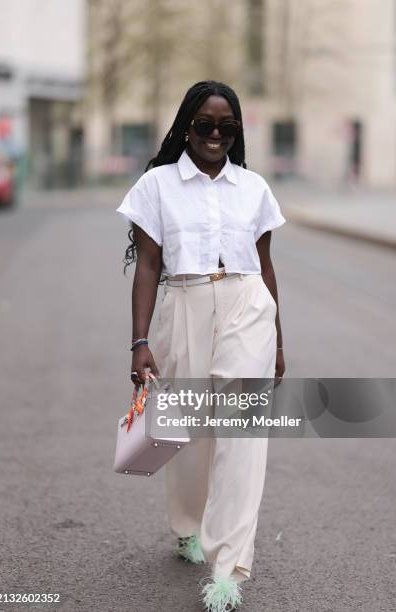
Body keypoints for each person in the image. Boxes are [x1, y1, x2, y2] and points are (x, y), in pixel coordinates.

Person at [116, 80, 286, 612]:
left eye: (226, 127)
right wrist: (140, 341)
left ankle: (229, 566)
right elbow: (147, 266)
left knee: (242, 434)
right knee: (187, 432)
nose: (216, 135)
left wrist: (278, 340)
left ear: (237, 131)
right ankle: (189, 525)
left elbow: (265, 266)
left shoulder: (254, 188)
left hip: (247, 307)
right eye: (205, 125)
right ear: (186, 127)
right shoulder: (157, 186)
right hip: (183, 304)